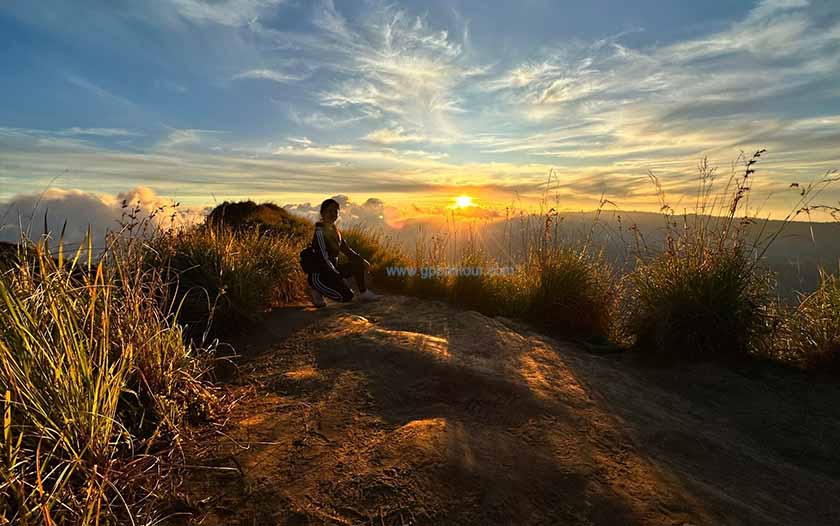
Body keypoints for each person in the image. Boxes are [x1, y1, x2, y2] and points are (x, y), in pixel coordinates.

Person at [307, 198, 380, 307]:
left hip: (333, 271)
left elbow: (347, 250)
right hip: (320, 275)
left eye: (335, 211)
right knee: (347, 297)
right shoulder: (320, 232)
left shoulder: (335, 231)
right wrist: (338, 277)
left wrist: (362, 261)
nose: (333, 214)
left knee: (357, 263)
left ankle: (363, 293)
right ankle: (316, 290)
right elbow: (324, 258)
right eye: (329, 211)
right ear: (323, 213)